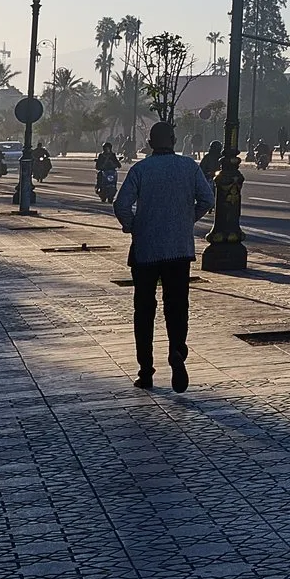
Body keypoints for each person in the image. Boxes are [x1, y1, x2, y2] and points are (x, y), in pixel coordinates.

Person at [113, 121, 215, 392]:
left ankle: (145, 371)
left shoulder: (141, 170)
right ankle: (177, 352)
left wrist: (133, 225)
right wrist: (187, 220)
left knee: (144, 310)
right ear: (173, 139)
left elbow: (121, 204)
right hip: (179, 250)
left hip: (146, 251)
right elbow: (207, 200)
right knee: (177, 306)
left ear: (149, 142)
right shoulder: (189, 167)